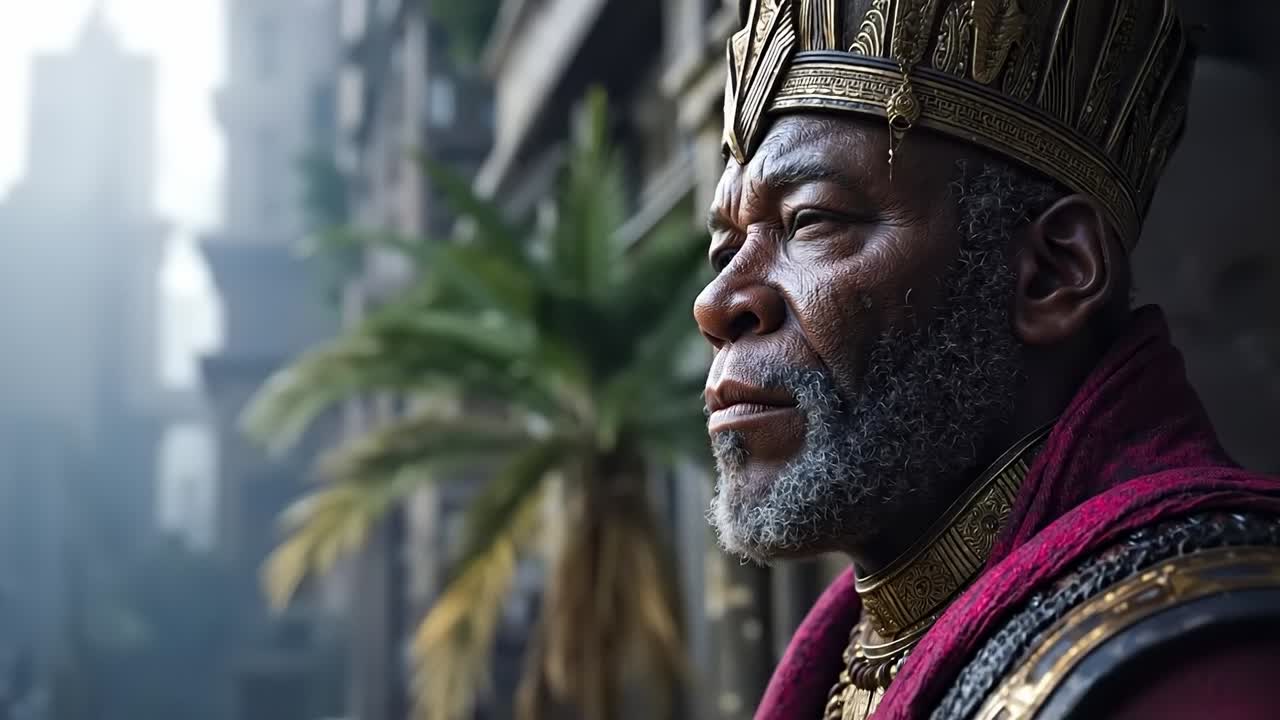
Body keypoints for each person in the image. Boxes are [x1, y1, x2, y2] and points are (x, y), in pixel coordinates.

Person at [693, 1, 1280, 719]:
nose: (718, 302)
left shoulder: (1203, 667)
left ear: (1051, 272)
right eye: (725, 249)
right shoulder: (858, 651)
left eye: (810, 221)